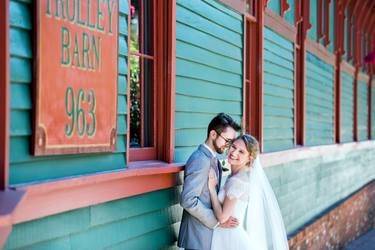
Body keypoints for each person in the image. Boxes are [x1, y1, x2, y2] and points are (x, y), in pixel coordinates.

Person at [208, 134, 289, 250]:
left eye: (241, 152)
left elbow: (223, 217)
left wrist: (211, 189)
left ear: (249, 158)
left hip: (231, 239)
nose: (234, 153)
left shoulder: (237, 181)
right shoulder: (237, 176)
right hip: (225, 235)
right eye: (234, 147)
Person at [178, 113, 242, 250]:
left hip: (207, 237)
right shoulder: (200, 160)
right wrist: (217, 222)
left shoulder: (213, 159)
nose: (229, 146)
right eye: (227, 140)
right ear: (213, 134)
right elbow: (188, 200)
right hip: (198, 237)